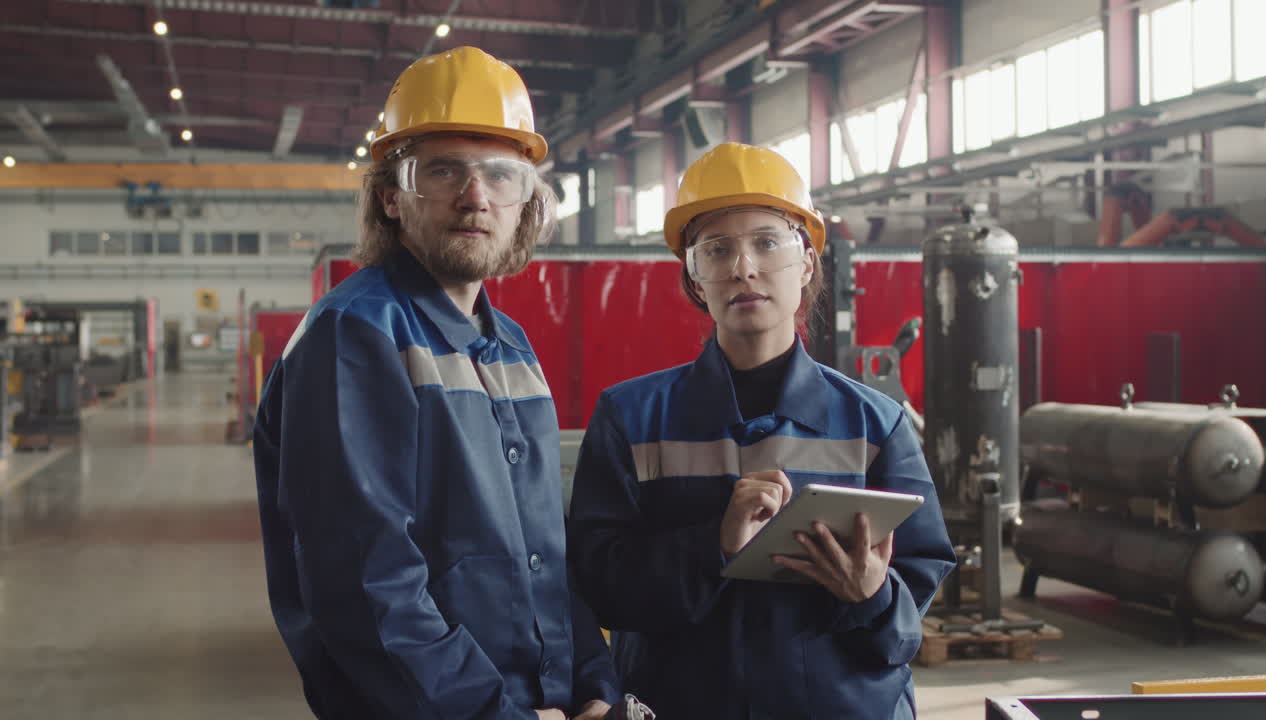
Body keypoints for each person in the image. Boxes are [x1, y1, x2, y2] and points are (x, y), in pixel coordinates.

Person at [253, 46, 618, 720]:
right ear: (392, 197)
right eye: (443, 170)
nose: (475, 196)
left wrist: (596, 682)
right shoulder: (356, 336)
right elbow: (367, 583)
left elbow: (546, 554)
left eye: (502, 175)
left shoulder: (512, 347)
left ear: (524, 202)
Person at [567, 143, 956, 719]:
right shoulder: (632, 418)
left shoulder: (875, 424)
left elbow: (906, 621)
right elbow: (596, 584)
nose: (743, 268)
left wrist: (871, 594)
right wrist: (713, 546)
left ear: (806, 265)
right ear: (696, 280)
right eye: (716, 250)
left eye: (767, 243)